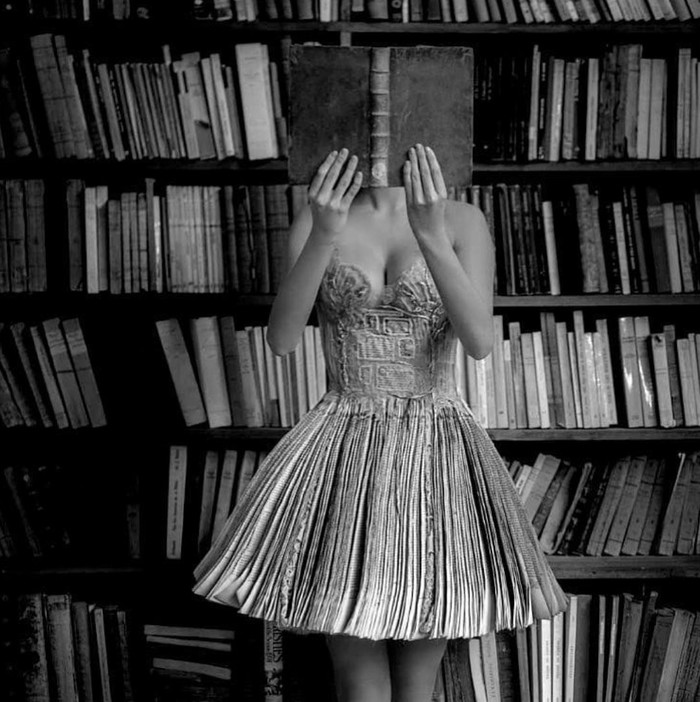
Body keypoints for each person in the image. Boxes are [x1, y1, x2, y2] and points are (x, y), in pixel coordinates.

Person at [192, 144, 569, 702]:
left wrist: (431, 232)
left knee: (419, 677)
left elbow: (480, 342)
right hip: (343, 450)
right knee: (356, 678)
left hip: (435, 454)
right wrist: (323, 232)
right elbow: (282, 339)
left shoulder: (462, 219)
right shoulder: (318, 216)